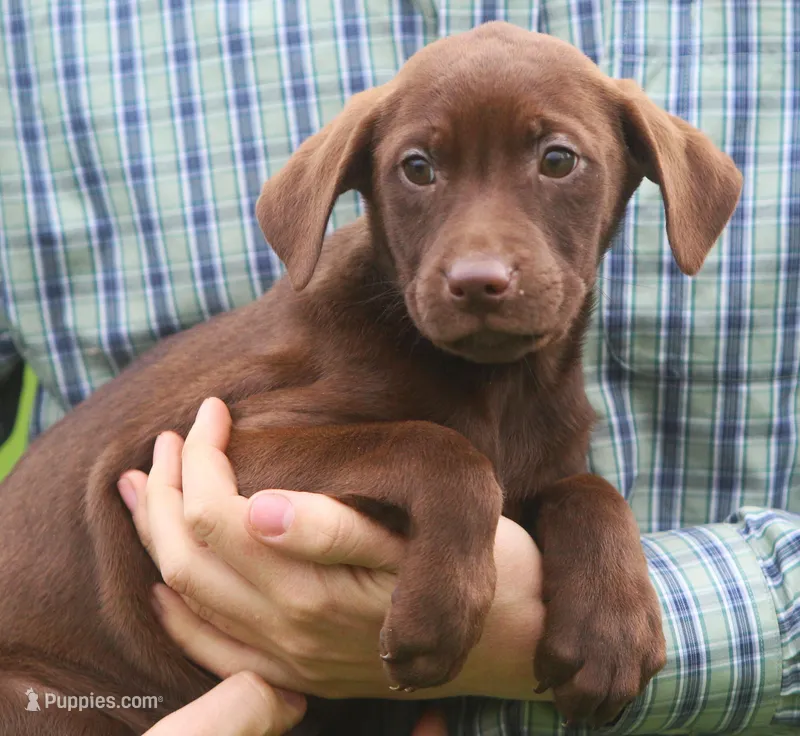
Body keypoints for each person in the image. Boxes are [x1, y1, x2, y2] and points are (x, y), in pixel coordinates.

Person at [2, 0, 799, 733]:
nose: (480, 259)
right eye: (420, 170)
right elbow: (230, 459)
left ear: (640, 173)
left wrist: (586, 529)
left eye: (557, 162)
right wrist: (443, 481)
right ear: (359, 186)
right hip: (70, 692)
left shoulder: (545, 402)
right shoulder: (336, 335)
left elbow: (523, 485)